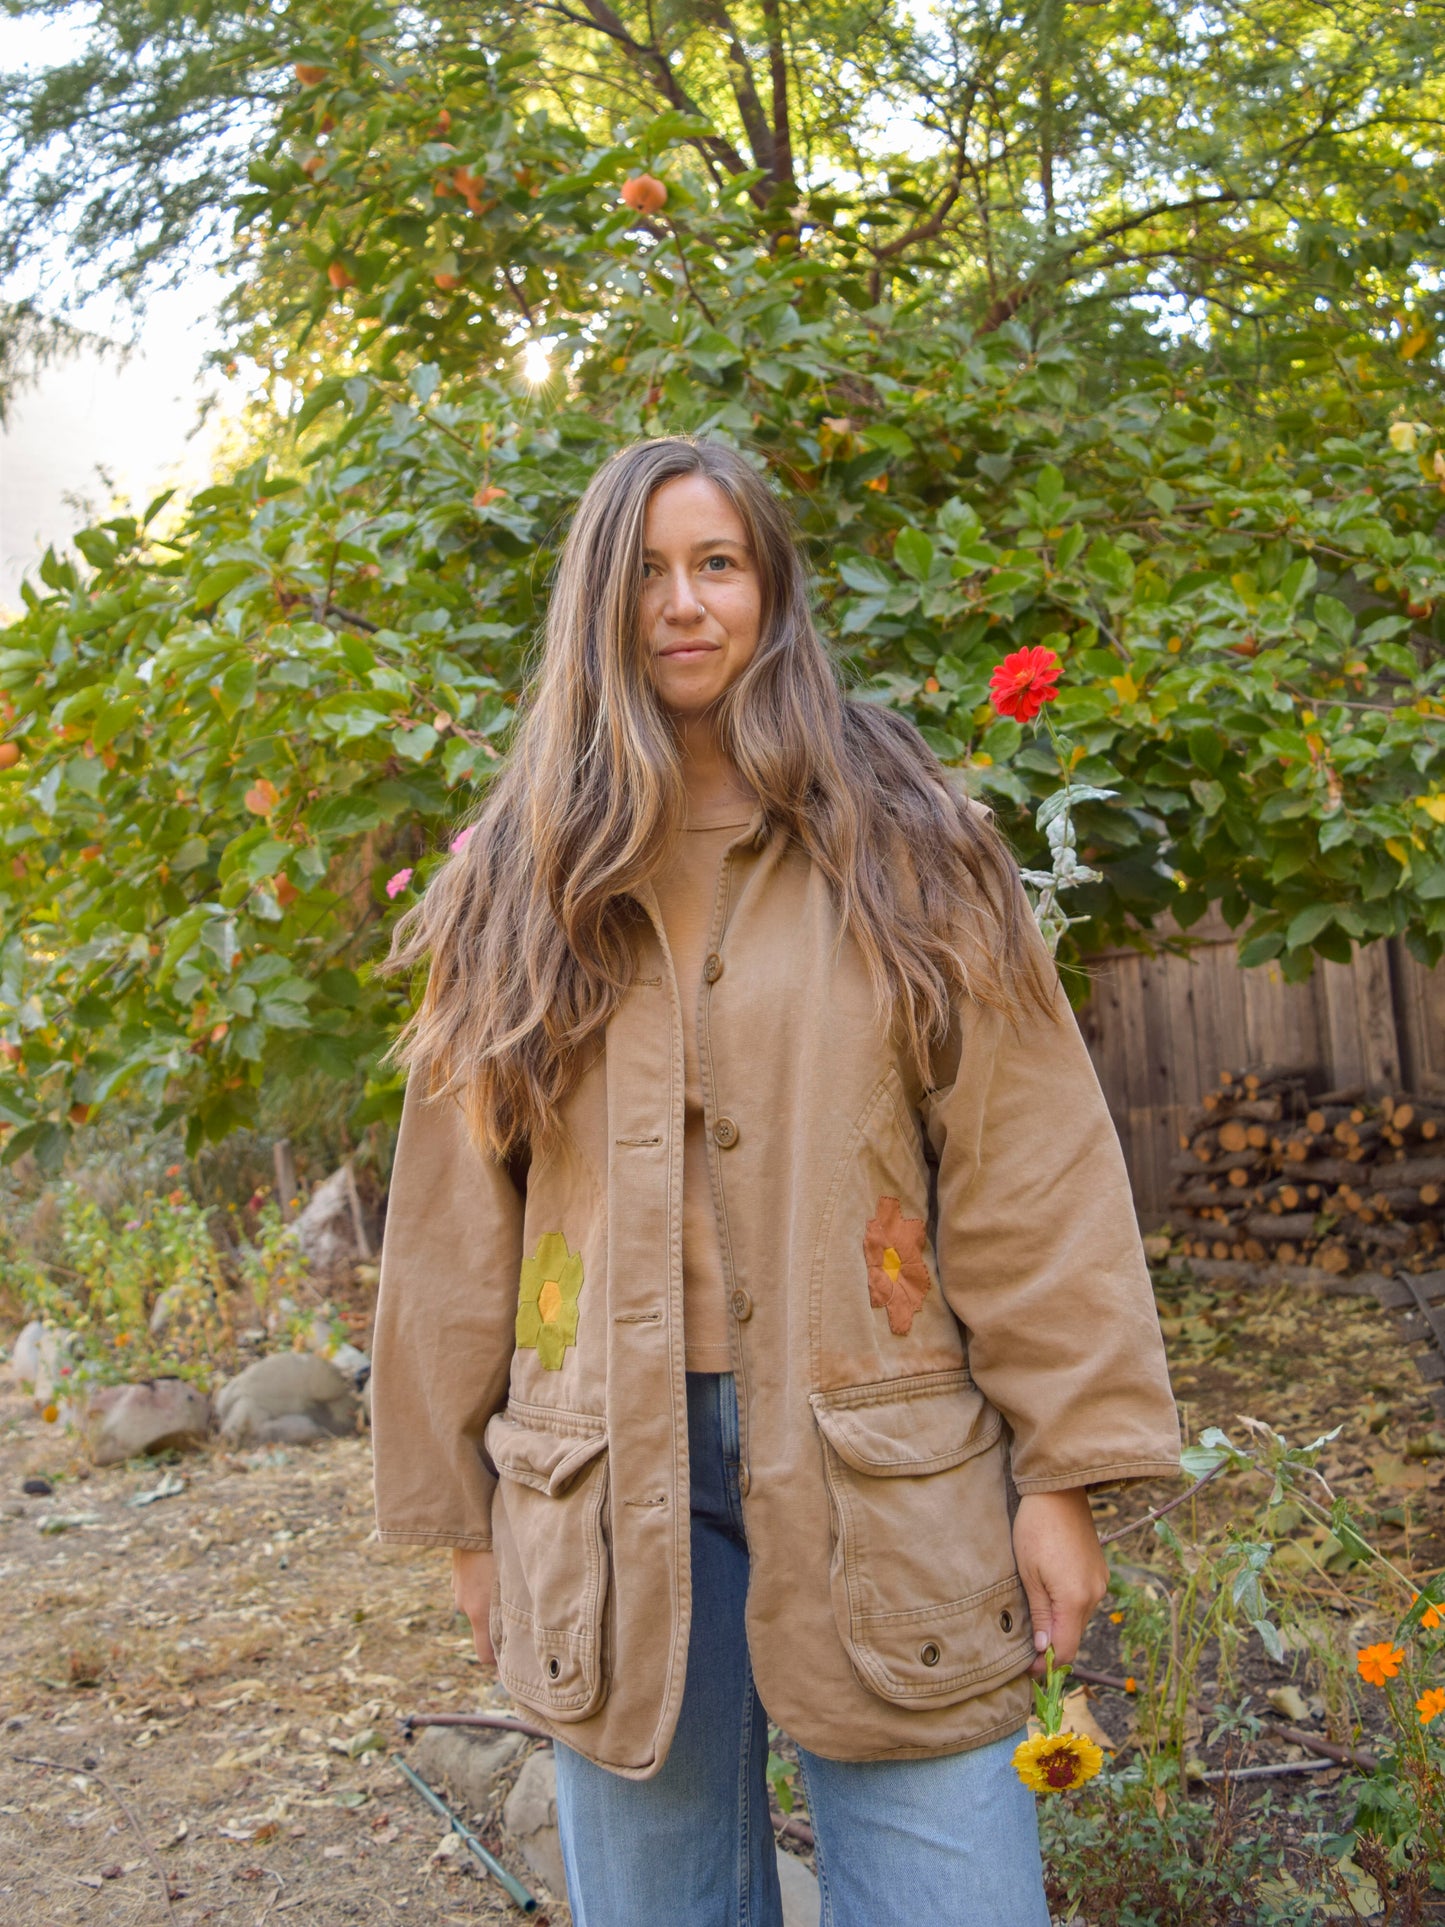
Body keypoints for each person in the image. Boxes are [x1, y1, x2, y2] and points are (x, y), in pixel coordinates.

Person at [370, 436, 1180, 1926]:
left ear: (771, 592)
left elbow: (1029, 1173)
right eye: (646, 575)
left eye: (717, 565)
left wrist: (1060, 1472)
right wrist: (465, 1522)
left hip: (891, 1464)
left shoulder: (912, 848)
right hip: (601, 1480)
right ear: (594, 608)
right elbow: (449, 1232)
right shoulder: (513, 883)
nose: (682, 606)